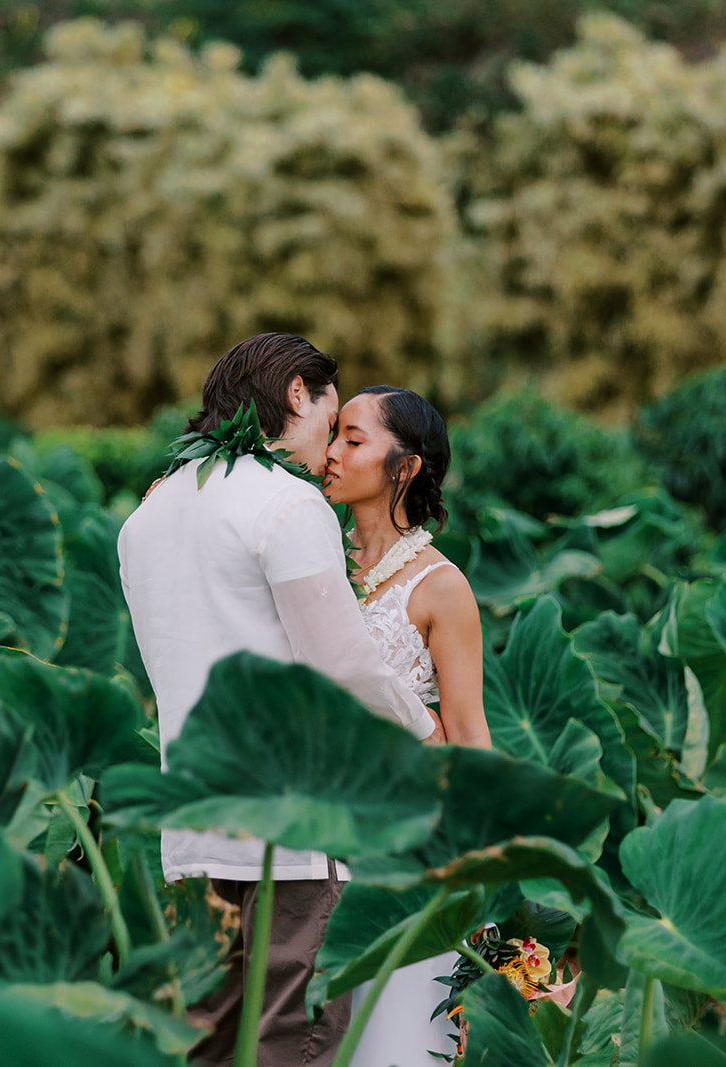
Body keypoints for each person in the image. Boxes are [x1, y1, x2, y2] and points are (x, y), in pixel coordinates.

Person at [117, 334, 440, 1067]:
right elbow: (340, 663)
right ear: (298, 392)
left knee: (207, 1043)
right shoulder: (287, 504)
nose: (329, 444)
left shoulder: (148, 516)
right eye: (331, 413)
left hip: (194, 828)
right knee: (295, 1045)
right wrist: (424, 727)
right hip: (292, 828)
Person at [323, 385, 492, 1066]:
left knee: (391, 1042)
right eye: (333, 435)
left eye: (353, 439)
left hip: (406, 845)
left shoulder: (441, 587)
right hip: (308, 837)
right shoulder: (313, 565)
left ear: (406, 466)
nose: (331, 453)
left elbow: (469, 735)